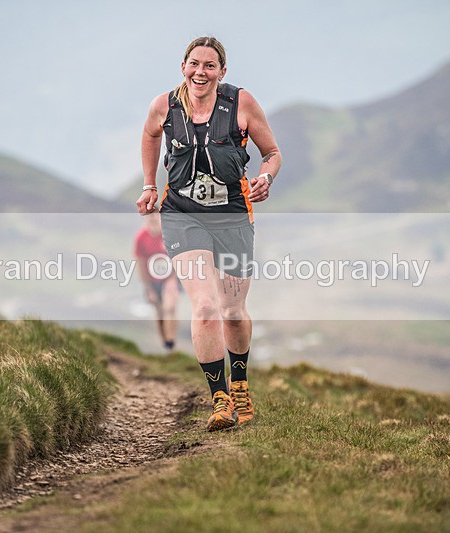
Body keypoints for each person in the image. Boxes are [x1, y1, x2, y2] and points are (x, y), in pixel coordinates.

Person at [137, 36, 281, 431]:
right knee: (203, 308)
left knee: (232, 312)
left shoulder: (241, 104)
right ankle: (219, 400)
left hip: (233, 216)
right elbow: (150, 135)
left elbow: (272, 153)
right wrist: (150, 184)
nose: (200, 72)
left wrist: (265, 177)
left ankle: (239, 385)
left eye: (209, 66)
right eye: (194, 64)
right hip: (183, 214)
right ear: (183, 66)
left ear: (222, 71)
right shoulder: (164, 107)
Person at [133, 211, 180, 351]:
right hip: (152, 280)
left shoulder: (168, 235)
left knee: (170, 307)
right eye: (150, 215)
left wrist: (172, 278)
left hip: (170, 278)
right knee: (159, 312)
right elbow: (140, 264)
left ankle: (171, 341)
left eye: (156, 214)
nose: (153, 218)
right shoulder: (141, 238)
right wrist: (149, 289)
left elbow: (177, 257)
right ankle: (165, 343)